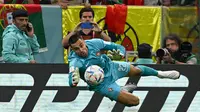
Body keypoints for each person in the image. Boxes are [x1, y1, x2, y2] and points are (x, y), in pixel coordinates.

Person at [67, 33, 180, 106]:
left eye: (81, 45)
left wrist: (120, 54)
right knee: (134, 102)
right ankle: (122, 90)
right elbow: (71, 82)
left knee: (136, 71)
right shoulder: (74, 61)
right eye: (76, 49)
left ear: (83, 40)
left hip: (111, 67)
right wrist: (74, 81)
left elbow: (118, 47)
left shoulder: (95, 43)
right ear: (71, 49)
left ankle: (160, 74)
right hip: (102, 84)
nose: (81, 50)